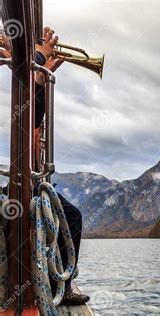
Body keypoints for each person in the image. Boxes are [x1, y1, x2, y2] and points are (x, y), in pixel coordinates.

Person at [0, 27, 90, 306]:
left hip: (22, 174)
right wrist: (35, 58)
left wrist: (38, 78)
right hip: (13, 175)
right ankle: (52, 287)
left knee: (70, 215)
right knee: (71, 217)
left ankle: (55, 285)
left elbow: (30, 120)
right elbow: (23, 119)